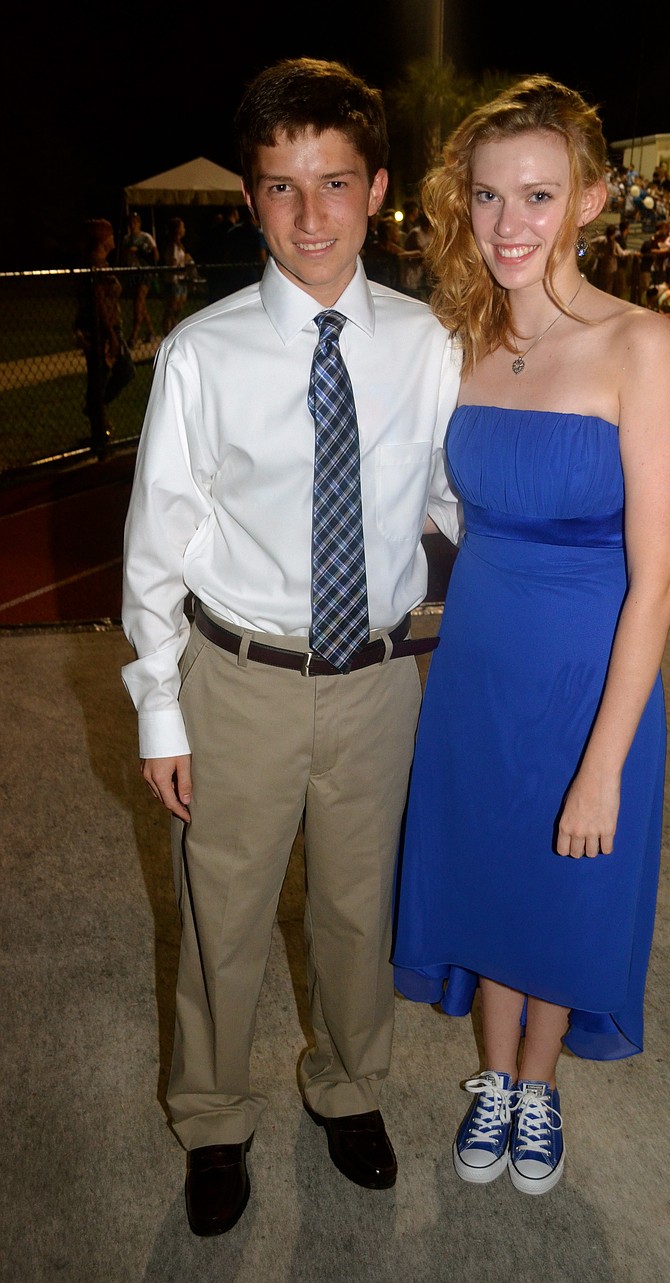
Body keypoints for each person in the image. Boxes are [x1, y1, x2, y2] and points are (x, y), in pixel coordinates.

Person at [121, 57, 460, 1235]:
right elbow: (156, 545)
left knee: (360, 910)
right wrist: (162, 710)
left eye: (333, 183)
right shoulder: (203, 355)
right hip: (241, 680)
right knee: (222, 910)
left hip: (375, 679)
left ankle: (349, 1085)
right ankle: (214, 1113)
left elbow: (452, 498)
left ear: (377, 190)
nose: (309, 215)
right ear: (252, 200)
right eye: (280, 187)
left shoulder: (427, 344)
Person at [392, 76, 670, 1196]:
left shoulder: (638, 343)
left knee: (568, 880)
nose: (508, 225)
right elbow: (422, 499)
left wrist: (605, 761)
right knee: (491, 871)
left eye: (537, 195)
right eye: (486, 197)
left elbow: (656, 580)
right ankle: (498, 1081)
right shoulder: (455, 342)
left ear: (593, 201)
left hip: (588, 675)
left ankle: (540, 1082)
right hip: (474, 664)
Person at [74, 218, 135, 441]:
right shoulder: (95, 265)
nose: (113, 238)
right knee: (105, 377)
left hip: (110, 328)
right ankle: (98, 427)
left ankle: (96, 413)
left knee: (118, 374)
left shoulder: (103, 263)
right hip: (101, 331)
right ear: (101, 239)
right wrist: (111, 334)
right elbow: (99, 302)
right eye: (109, 234)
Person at [120, 210, 159, 346]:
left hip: (144, 273)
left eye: (135, 222)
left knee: (138, 303)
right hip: (133, 274)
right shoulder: (126, 239)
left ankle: (133, 335)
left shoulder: (145, 237)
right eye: (130, 222)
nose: (132, 225)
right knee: (140, 304)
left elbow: (155, 255)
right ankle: (150, 331)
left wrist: (141, 251)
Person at [160, 217, 193, 334]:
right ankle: (167, 333)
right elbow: (172, 263)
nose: (184, 229)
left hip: (181, 279)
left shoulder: (180, 245)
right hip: (174, 281)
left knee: (177, 310)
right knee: (171, 310)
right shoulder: (173, 246)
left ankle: (173, 331)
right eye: (182, 227)